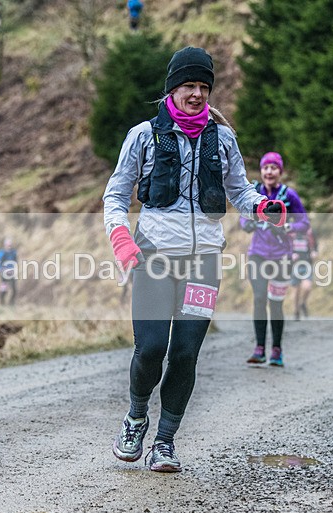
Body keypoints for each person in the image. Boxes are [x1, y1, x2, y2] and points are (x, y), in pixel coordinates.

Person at [103, 46, 286, 473]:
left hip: (204, 258)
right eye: (189, 85)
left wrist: (261, 207)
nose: (197, 94)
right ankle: (135, 418)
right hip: (154, 256)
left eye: (204, 87)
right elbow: (115, 195)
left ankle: (164, 442)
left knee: (185, 353)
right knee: (151, 348)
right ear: (172, 88)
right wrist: (121, 239)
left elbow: (240, 190)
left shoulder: (222, 138)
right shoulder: (143, 135)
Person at [240, 151, 310, 367]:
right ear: (261, 171)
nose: (269, 172)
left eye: (273, 168)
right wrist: (248, 223)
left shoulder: (289, 196)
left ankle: (277, 350)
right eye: (265, 168)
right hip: (258, 255)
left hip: (282, 257)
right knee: (260, 298)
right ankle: (259, 348)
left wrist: (288, 227)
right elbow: (244, 219)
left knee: (276, 303)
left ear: (280, 172)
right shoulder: (254, 192)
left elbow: (304, 223)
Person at [291, 226, 318, 320]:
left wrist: (314, 252)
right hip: (295, 264)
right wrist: (291, 254)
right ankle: (296, 311)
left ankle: (302, 303)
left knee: (307, 287)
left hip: (307, 263)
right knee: (296, 290)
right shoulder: (291, 231)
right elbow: (285, 246)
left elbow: (315, 246)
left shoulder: (310, 232)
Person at [0, 238, 18, 305]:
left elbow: (15, 262)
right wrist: (3, 270)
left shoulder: (13, 252)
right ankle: (2, 303)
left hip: (12, 274)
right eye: (8, 245)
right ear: (5, 245)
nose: (9, 246)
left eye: (10, 245)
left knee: (14, 290)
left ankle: (11, 304)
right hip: (3, 274)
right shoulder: (1, 253)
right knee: (4, 290)